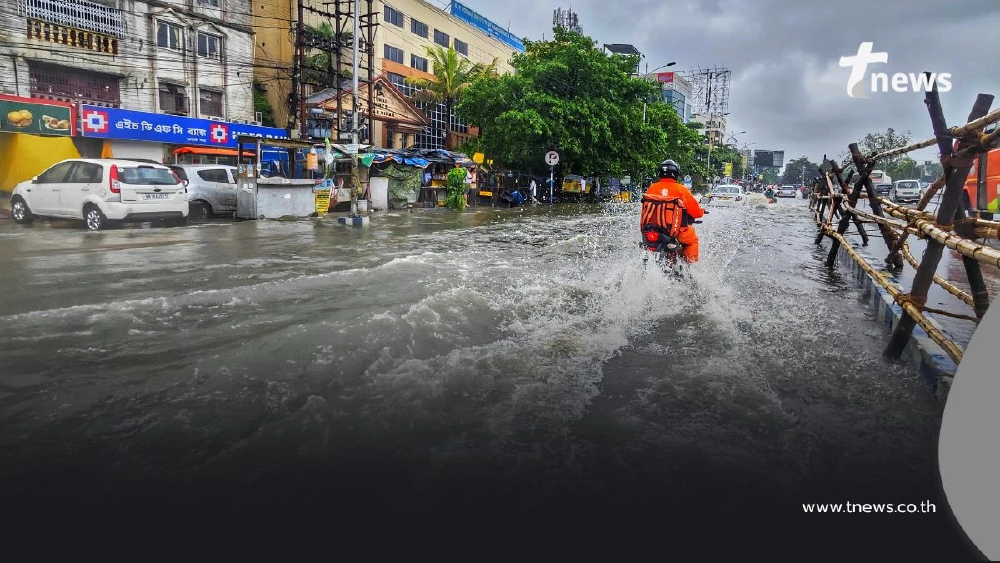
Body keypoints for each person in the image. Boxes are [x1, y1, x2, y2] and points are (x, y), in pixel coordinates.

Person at [641, 159, 705, 263]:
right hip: (674, 232)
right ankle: (688, 265)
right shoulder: (681, 189)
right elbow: (697, 213)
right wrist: (701, 211)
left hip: (651, 229)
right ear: (675, 174)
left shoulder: (652, 187)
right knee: (693, 240)